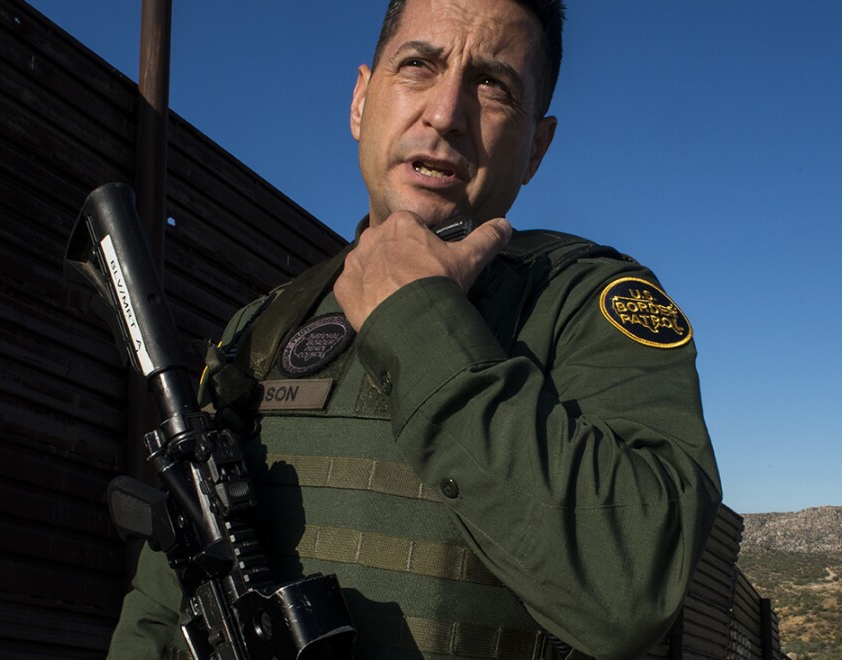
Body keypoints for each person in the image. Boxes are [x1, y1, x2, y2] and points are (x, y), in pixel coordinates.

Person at [107, 0, 721, 658]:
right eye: (418, 66)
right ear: (360, 102)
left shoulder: (581, 304)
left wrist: (418, 320)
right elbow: (169, 593)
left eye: (493, 86)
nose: (446, 113)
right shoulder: (262, 327)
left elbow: (631, 589)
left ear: (536, 148)